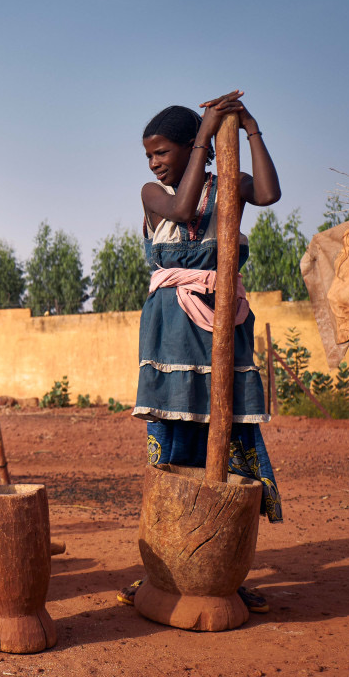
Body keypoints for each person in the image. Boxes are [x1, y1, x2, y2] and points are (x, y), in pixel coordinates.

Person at [122, 90, 281, 611]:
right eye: (151, 154)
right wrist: (206, 136)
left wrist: (249, 129)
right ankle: (167, 570)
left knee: (226, 431)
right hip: (172, 329)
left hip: (222, 323)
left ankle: (222, 571)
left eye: (163, 152)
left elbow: (272, 194)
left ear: (191, 149)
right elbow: (185, 208)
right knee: (174, 436)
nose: (154, 162)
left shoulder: (228, 186)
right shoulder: (153, 194)